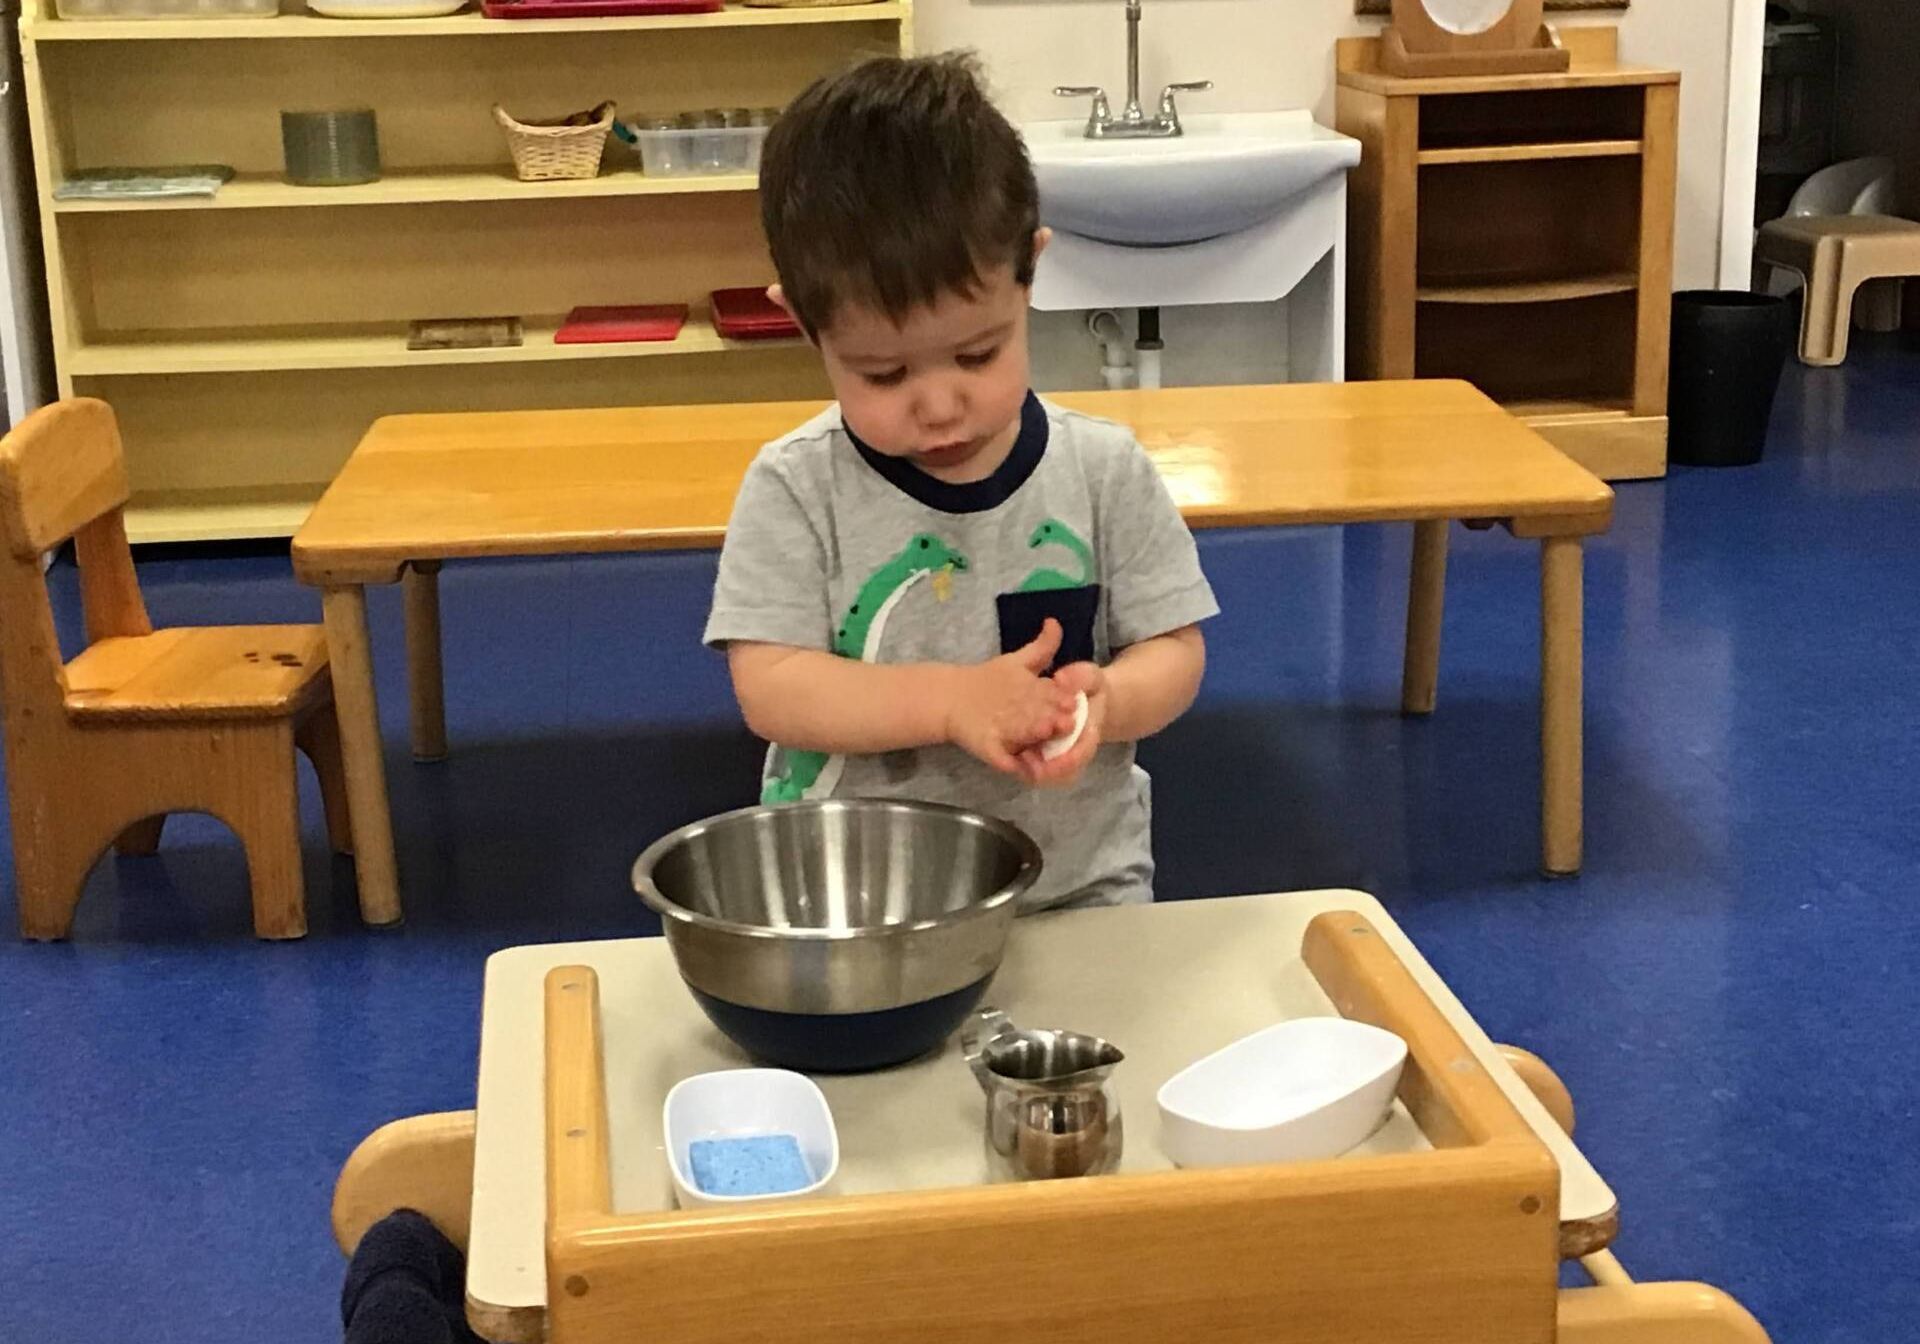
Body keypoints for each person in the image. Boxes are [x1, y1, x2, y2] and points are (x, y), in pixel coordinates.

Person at [704, 52, 1218, 910]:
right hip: (861, 896)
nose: (940, 407)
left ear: (1030, 272)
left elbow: (1174, 646)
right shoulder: (797, 486)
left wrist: (1112, 700)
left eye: (978, 353)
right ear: (803, 322)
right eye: (882, 373)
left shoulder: (1101, 468)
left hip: (1076, 883)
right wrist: (952, 702)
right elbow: (772, 686)